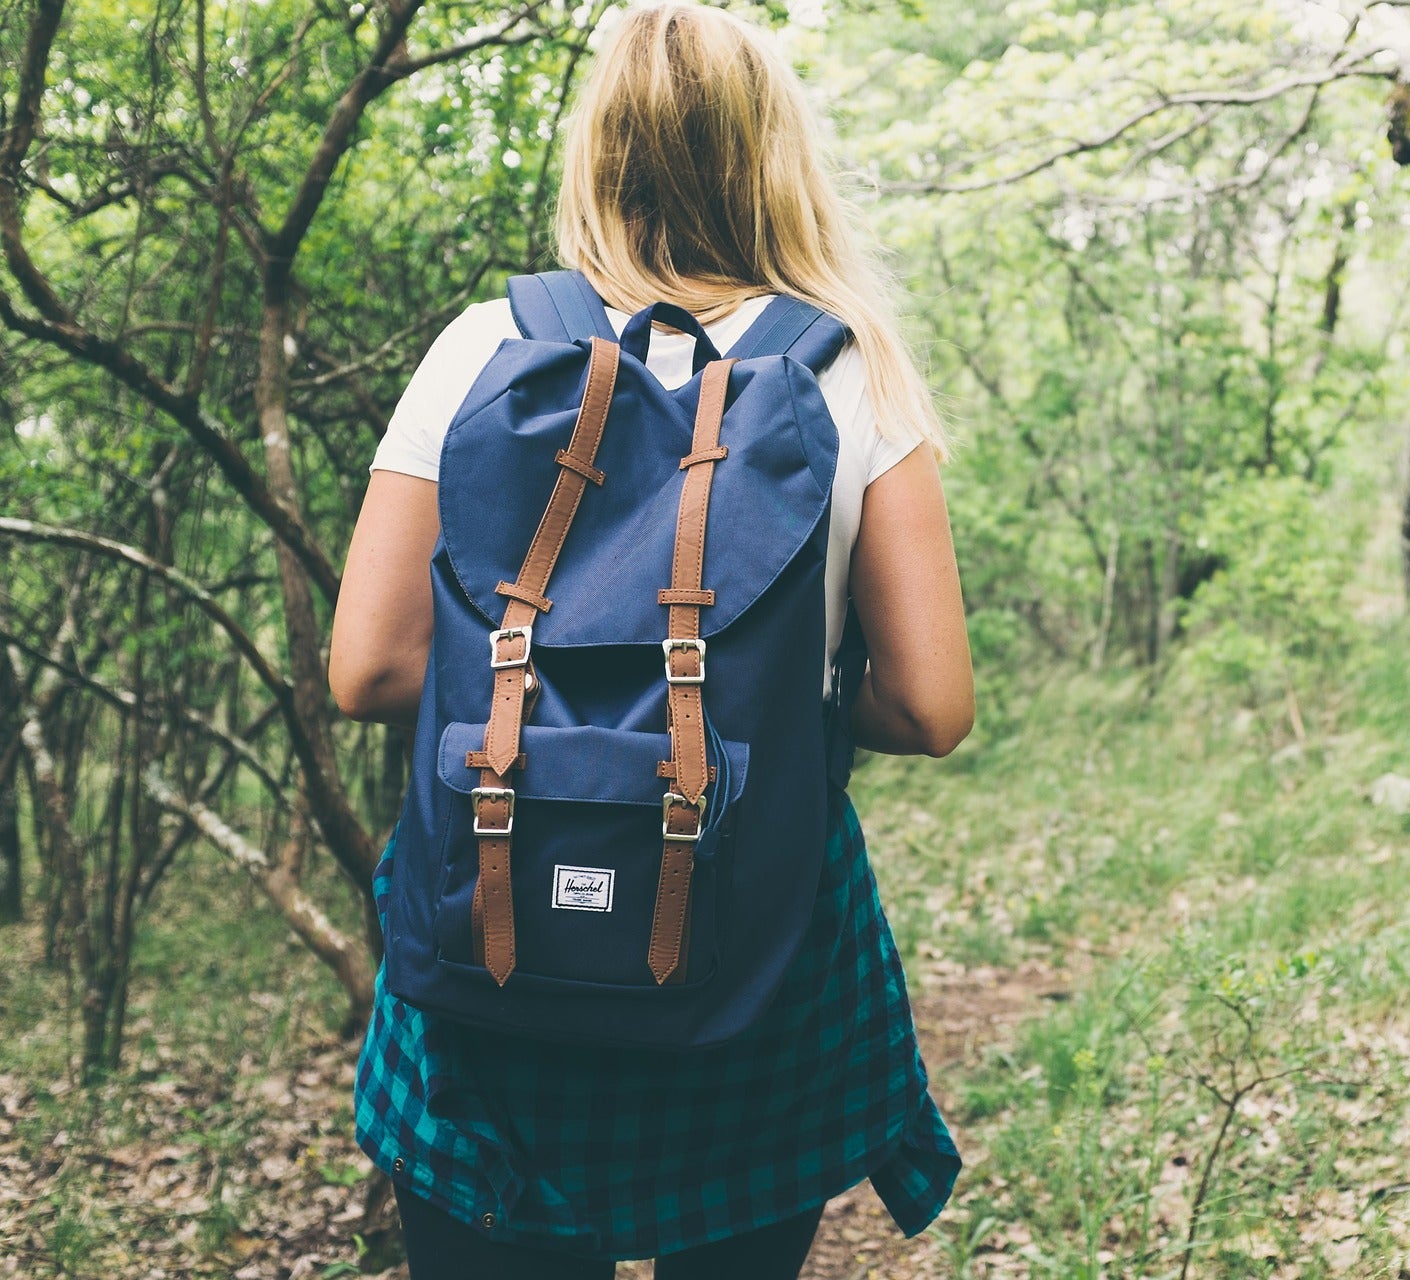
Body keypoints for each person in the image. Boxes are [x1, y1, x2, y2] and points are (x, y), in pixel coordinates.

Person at [328, 5, 974, 1276]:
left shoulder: (485, 348)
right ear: (772, 155)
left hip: (494, 928)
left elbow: (371, 668)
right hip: (752, 943)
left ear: (599, 153)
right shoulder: (853, 375)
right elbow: (932, 707)